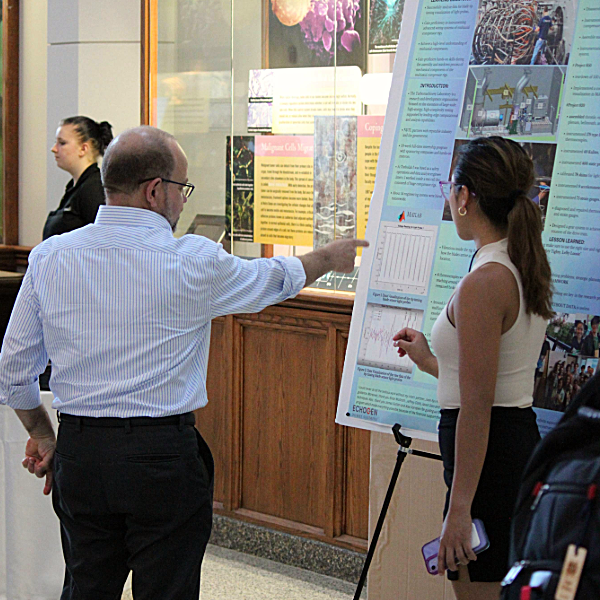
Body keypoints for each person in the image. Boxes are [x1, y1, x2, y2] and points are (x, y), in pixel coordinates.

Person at [0, 126, 368, 600]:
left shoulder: (52, 257)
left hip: (82, 454)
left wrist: (46, 437)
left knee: (87, 586)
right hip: (162, 459)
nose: (182, 202)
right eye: (182, 189)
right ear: (155, 190)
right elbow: (273, 278)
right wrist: (329, 256)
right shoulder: (192, 260)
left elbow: (13, 370)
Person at [393, 137, 552, 599]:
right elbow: (490, 381)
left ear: (465, 197)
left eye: (451, 187)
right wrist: (430, 362)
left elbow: (479, 406)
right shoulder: (519, 264)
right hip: (507, 445)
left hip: (489, 462)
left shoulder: (485, 282)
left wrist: (459, 509)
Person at [43, 116, 113, 240]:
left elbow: (102, 240)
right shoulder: (73, 187)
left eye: (62, 143)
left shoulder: (93, 189)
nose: (54, 149)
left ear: (83, 148)